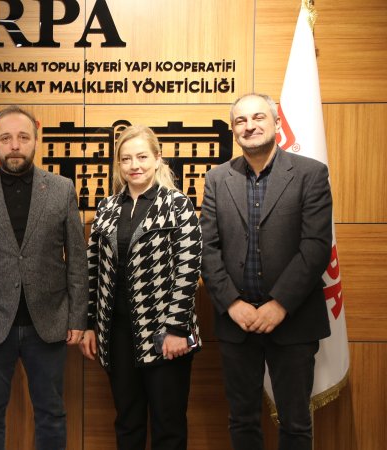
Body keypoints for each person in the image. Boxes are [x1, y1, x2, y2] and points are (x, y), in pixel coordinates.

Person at [0, 105, 89, 450]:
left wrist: (77, 317)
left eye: (23, 137)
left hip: (49, 322)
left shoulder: (61, 189)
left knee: (52, 413)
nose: (15, 145)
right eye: (6, 138)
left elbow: (77, 259)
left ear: (36, 141)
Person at [201, 93, 333, 450]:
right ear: (234, 130)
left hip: (294, 319)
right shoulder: (217, 178)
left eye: (258, 117)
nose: (249, 126)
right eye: (241, 121)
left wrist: (279, 304)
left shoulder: (310, 174)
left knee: (296, 423)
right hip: (237, 323)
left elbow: (316, 246)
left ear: (276, 123)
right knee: (242, 421)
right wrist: (232, 304)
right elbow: (207, 249)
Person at [80, 125, 202, 450]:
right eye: (126, 159)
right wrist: (89, 324)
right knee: (127, 422)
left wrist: (177, 329)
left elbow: (189, 269)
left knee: (168, 426)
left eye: (142, 157)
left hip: (166, 334)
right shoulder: (106, 208)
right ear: (118, 164)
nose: (134, 165)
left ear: (158, 158)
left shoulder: (178, 204)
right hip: (117, 333)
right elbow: (92, 269)